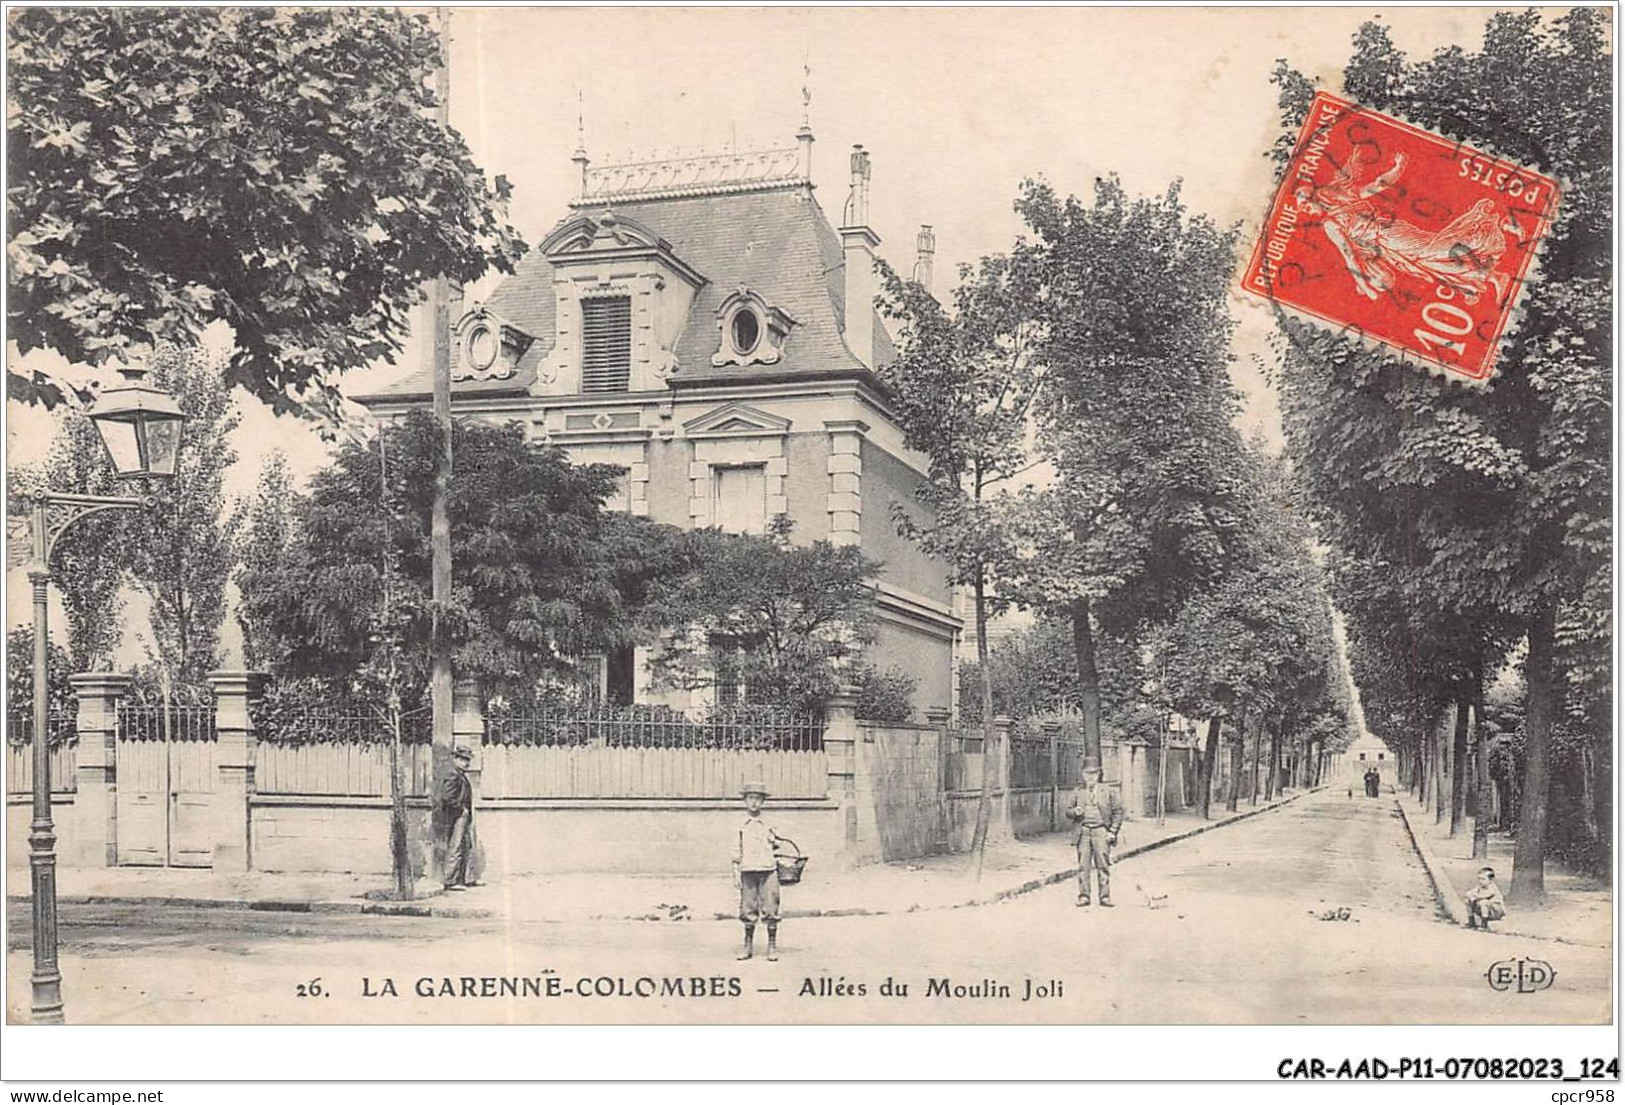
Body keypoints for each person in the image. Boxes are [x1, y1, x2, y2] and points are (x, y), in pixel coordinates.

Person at [732, 780, 782, 960]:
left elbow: (778, 845)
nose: (754, 802)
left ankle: (772, 946)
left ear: (763, 802)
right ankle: (748, 946)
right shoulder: (740, 824)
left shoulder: (769, 823)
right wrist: (736, 873)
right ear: (745, 800)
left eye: (758, 799)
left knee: (771, 907)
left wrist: (774, 842)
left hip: (768, 870)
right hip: (747, 871)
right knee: (747, 908)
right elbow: (736, 850)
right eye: (751, 798)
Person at [1066, 764, 1125, 908]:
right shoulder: (1078, 792)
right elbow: (1067, 812)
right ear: (1082, 775)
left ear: (1098, 775)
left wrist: (1112, 831)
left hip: (1101, 832)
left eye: (1093, 774)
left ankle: (1104, 897)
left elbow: (1118, 812)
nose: (1090, 777)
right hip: (1084, 832)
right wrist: (1075, 812)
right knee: (1083, 866)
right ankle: (1084, 896)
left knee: (1103, 865)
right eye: (1087, 774)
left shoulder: (1108, 791)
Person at [439, 745, 477, 891]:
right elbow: (447, 797)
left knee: (463, 845)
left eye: (467, 760)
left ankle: (461, 879)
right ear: (455, 759)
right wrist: (461, 809)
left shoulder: (459, 774)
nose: (466, 763)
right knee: (455, 847)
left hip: (461, 816)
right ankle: (450, 881)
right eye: (463, 759)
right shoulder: (453, 774)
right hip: (456, 816)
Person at [1464, 866, 1506, 932]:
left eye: (1483, 879)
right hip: (1485, 909)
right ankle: (1471, 921)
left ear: (1490, 880)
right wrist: (1470, 896)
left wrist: (1474, 897)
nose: (1480, 881)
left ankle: (1484, 924)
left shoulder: (1493, 888)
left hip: (1495, 911)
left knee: (1483, 902)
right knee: (1467, 901)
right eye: (1479, 879)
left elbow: (1484, 896)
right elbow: (1469, 893)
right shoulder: (1480, 886)